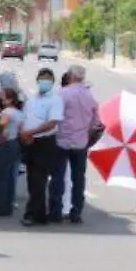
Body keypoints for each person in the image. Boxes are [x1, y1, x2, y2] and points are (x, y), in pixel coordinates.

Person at [19, 67, 65, 227]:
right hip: (30, 142)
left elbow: (52, 122)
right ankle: (39, 214)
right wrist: (24, 134)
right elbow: (24, 118)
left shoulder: (55, 100)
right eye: (42, 78)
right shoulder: (31, 99)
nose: (44, 81)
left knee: (39, 179)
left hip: (45, 142)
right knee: (31, 179)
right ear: (37, 80)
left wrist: (32, 132)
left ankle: (31, 214)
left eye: (48, 79)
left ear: (52, 82)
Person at [54, 64, 99, 223]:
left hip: (62, 140)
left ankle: (56, 211)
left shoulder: (62, 93)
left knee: (58, 177)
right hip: (81, 142)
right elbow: (96, 123)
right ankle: (76, 211)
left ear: (71, 76)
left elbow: (55, 116)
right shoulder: (90, 96)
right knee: (78, 179)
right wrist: (87, 134)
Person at [0, 87, 24, 218]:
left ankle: (0, 207)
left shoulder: (7, 112)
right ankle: (7, 205)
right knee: (10, 176)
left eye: (3, 96)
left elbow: (2, 124)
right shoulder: (19, 113)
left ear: (10, 99)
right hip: (15, 143)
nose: (1, 98)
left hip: (5, 144)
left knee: (2, 176)